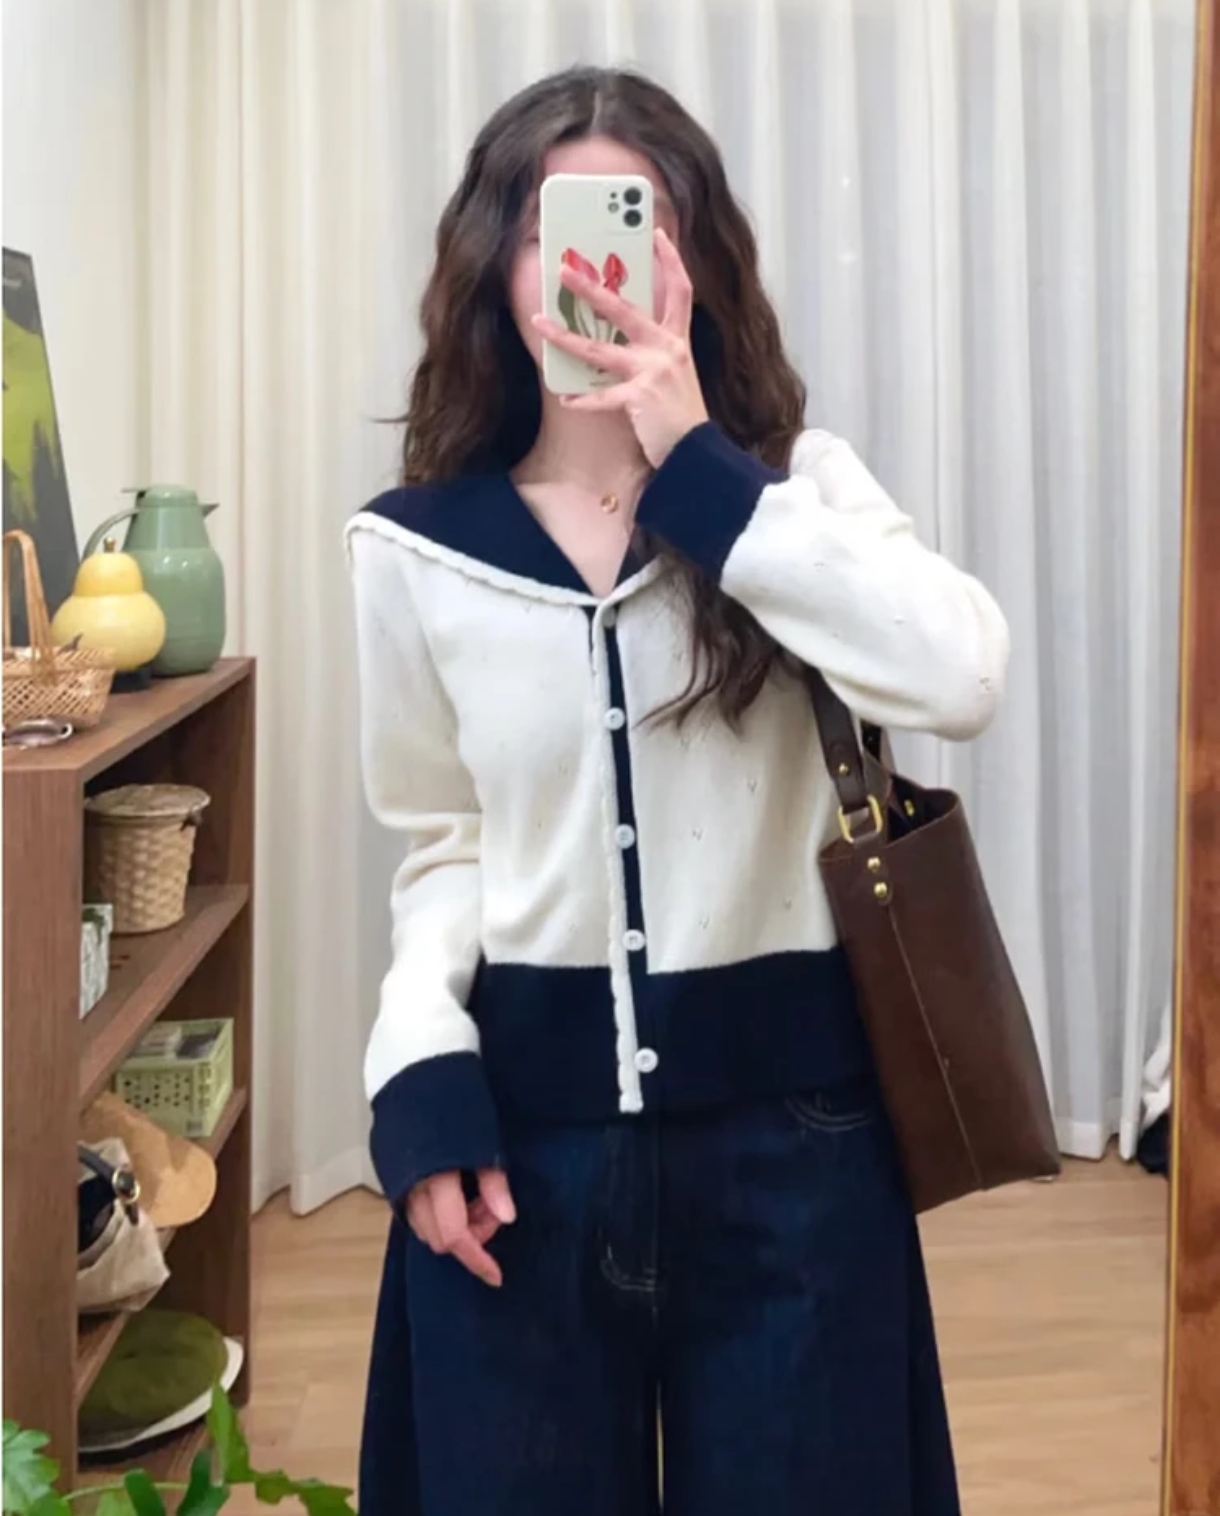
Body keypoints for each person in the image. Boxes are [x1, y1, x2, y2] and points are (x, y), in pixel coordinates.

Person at [347, 64, 1008, 1516]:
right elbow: (443, 838)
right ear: (496, 267)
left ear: (692, 262)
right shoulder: (414, 550)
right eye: (549, 228)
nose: (590, 265)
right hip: (522, 1155)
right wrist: (422, 1067)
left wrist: (702, 472)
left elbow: (962, 673)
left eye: (634, 222)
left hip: (798, 1155)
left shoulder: (795, 493)